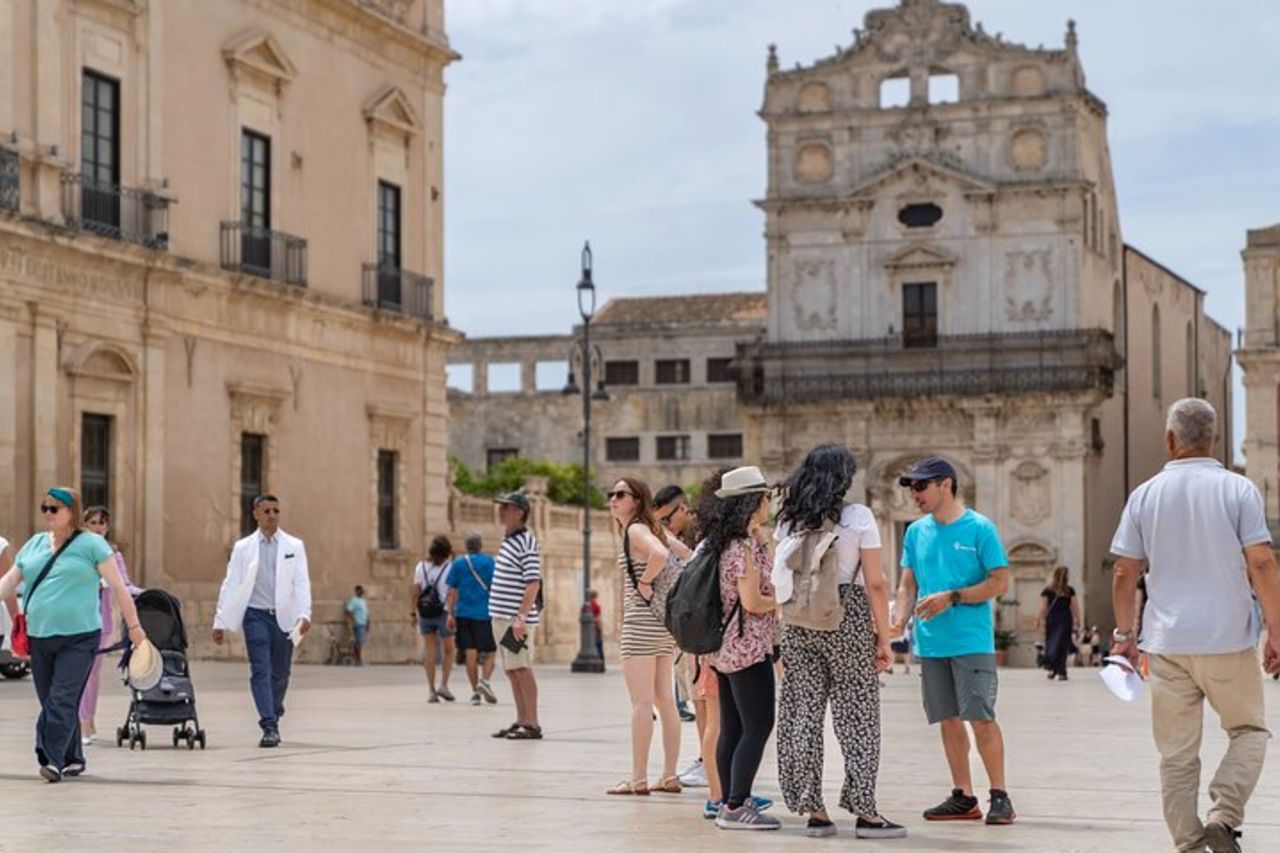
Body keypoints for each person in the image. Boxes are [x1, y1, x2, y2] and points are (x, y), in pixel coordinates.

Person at [1109, 398, 1280, 853]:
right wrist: (1277, 632)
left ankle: (1189, 844)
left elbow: (1125, 572)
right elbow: (1261, 561)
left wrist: (1124, 636)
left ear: (1169, 440)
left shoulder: (1144, 495)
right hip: (1227, 639)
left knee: (1177, 756)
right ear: (1215, 440)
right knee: (1249, 731)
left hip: (1166, 644)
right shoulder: (1239, 490)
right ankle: (1223, 814)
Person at [774, 444, 904, 839]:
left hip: (797, 623)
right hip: (847, 620)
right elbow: (877, 583)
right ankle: (865, 813)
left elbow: (779, 577)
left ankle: (814, 810)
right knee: (858, 717)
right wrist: (884, 638)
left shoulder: (787, 522)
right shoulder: (858, 516)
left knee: (802, 715)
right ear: (843, 478)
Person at [890, 457, 1015, 825]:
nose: (915, 495)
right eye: (912, 488)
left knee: (981, 717)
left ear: (945, 484)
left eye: (921, 487)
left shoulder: (980, 528)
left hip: (971, 640)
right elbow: (907, 582)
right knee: (947, 719)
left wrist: (952, 597)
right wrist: (898, 619)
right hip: (931, 643)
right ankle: (963, 795)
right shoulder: (915, 532)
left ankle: (1000, 794)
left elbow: (999, 582)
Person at [0, 487, 147, 781]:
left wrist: (135, 628)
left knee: (62, 697)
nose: (48, 514)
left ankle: (51, 759)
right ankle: (73, 757)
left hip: (80, 638)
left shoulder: (92, 545)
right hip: (40, 637)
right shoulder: (35, 545)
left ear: (73, 512)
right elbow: (9, 581)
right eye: (45, 508)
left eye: (55, 508)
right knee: (51, 699)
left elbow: (119, 587)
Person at [702, 465, 780, 830]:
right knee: (759, 724)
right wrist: (781, 599)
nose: (769, 502)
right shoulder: (743, 547)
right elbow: (752, 602)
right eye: (765, 497)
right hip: (748, 649)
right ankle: (736, 804)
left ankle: (728, 801)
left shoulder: (728, 542)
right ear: (753, 502)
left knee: (733, 728)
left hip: (726, 650)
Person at [604, 478, 690, 796]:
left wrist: (645, 582)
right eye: (611, 494)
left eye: (621, 494)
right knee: (665, 700)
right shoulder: (655, 529)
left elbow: (660, 556)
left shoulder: (636, 531)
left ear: (637, 500)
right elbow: (688, 555)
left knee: (641, 703)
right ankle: (669, 775)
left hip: (640, 621)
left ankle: (638, 778)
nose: (613, 499)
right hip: (661, 623)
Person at [212, 494, 312, 748]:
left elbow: (301, 582)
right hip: (254, 615)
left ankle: (274, 709)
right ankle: (268, 724)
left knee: (281, 674)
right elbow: (231, 582)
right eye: (266, 511)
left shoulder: (294, 546)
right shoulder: (243, 547)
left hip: (285, 618)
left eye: (276, 510)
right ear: (255, 514)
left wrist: (305, 614)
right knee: (260, 670)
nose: (272, 515)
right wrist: (219, 619)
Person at [78, 506, 140, 744]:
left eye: (102, 523)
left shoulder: (113, 556)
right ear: (84, 525)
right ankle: (82, 721)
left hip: (100, 623)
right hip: (77, 621)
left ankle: (89, 718)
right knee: (79, 672)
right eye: (92, 523)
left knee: (93, 675)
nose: (98, 527)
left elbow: (124, 585)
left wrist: (146, 594)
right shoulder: (78, 552)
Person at [489, 491, 543, 740]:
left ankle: (532, 723)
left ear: (519, 512)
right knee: (511, 670)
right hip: (501, 617)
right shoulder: (508, 539)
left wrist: (521, 618)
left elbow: (533, 583)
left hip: (514, 621)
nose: (501, 511)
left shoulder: (526, 541)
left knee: (521, 668)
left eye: (506, 507)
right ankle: (521, 719)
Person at [656, 485, 699, 726]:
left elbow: (693, 563)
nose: (665, 524)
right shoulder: (672, 538)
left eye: (667, 518)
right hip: (678, 623)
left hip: (699, 625)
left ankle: (709, 761)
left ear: (683, 508)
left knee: (703, 697)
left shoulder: (700, 532)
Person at [446, 531, 498, 706]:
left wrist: (450, 613)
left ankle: (475, 692)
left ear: (466, 546)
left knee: (470, 651)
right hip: (484, 613)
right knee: (491, 651)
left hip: (463, 614)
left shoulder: (458, 564)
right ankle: (485, 681)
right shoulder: (489, 562)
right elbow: (495, 586)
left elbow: (452, 591)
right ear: (480, 545)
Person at [413, 535, 456, 703]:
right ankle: (443, 685)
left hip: (425, 612)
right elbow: (452, 592)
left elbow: (415, 590)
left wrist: (413, 612)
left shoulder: (420, 567)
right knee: (449, 650)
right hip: (444, 612)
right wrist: (452, 613)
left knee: (429, 652)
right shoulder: (450, 568)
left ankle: (431, 690)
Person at [1035, 566, 1080, 681]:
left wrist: (1038, 619)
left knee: (1053, 644)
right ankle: (1059, 671)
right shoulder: (1069, 590)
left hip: (1053, 620)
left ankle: (1056, 669)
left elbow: (1043, 607)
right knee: (1062, 645)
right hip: (1065, 620)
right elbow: (1075, 607)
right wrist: (1078, 620)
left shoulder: (1048, 590)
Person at [345, 585, 369, 666]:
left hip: (363, 623)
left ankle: (358, 659)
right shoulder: (354, 601)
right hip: (358, 623)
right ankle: (358, 659)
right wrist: (352, 619)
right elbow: (348, 610)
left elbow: (366, 613)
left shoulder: (363, 601)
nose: (362, 592)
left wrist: (368, 623)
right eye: (360, 590)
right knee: (358, 642)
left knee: (360, 642)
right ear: (356, 591)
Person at [588, 588, 604, 661]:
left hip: (588, 630)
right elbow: (598, 618)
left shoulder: (586, 606)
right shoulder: (596, 606)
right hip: (595, 628)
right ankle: (600, 660)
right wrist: (600, 628)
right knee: (599, 644)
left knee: (590, 644)